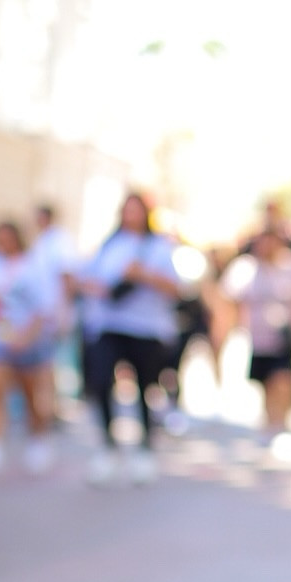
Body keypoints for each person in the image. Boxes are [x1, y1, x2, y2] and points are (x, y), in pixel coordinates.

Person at [73, 192, 181, 485]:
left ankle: (145, 448)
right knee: (100, 380)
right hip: (108, 325)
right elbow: (88, 279)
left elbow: (175, 289)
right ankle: (108, 447)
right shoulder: (110, 245)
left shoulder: (158, 247)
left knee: (146, 387)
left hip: (145, 329)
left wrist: (142, 274)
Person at [0, 219, 62, 478]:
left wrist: (26, 336)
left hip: (30, 341)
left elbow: (44, 307)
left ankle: (38, 438)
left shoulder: (33, 266)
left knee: (32, 396)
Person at [221, 227, 291, 458]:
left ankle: (281, 423)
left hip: (284, 335)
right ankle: (269, 421)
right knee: (265, 382)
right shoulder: (246, 268)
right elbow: (228, 298)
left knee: (282, 379)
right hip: (257, 337)